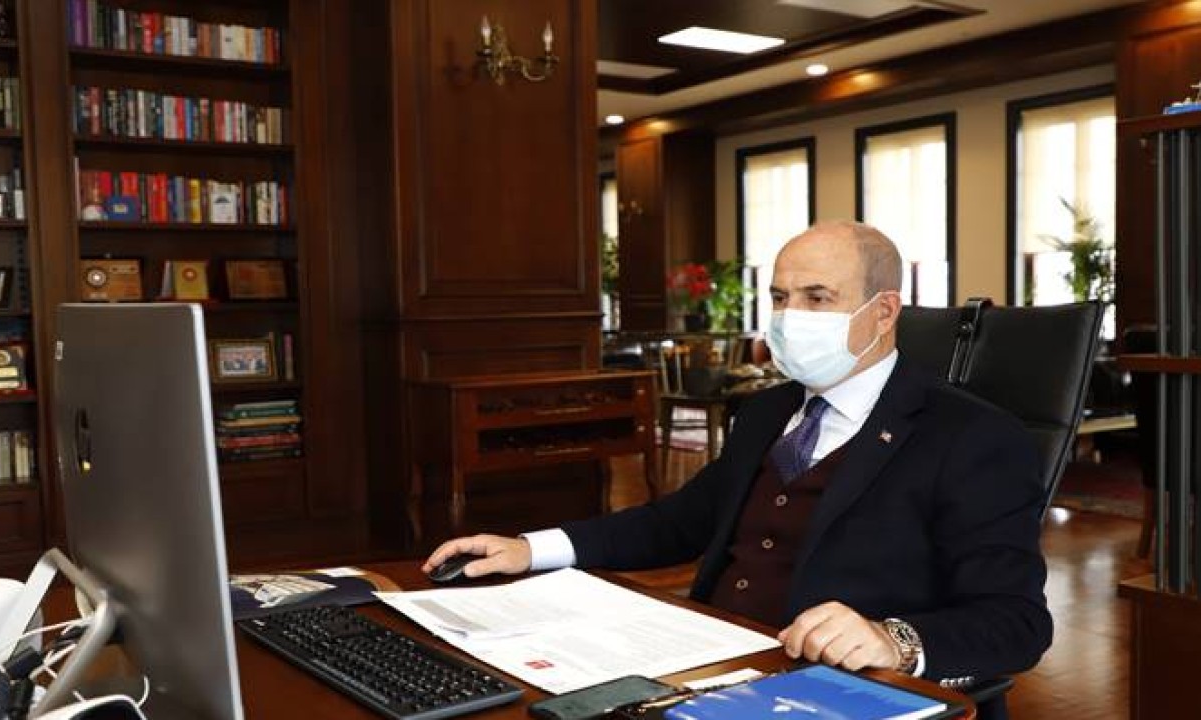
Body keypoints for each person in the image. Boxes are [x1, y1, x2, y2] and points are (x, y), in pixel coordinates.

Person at [424, 221, 1051, 719]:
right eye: (779, 297)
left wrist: (895, 640)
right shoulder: (766, 411)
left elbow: (1018, 622)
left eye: (817, 298)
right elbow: (679, 522)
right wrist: (531, 549)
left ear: (884, 313)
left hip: (834, 694)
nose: (789, 316)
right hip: (705, 670)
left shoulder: (973, 437)